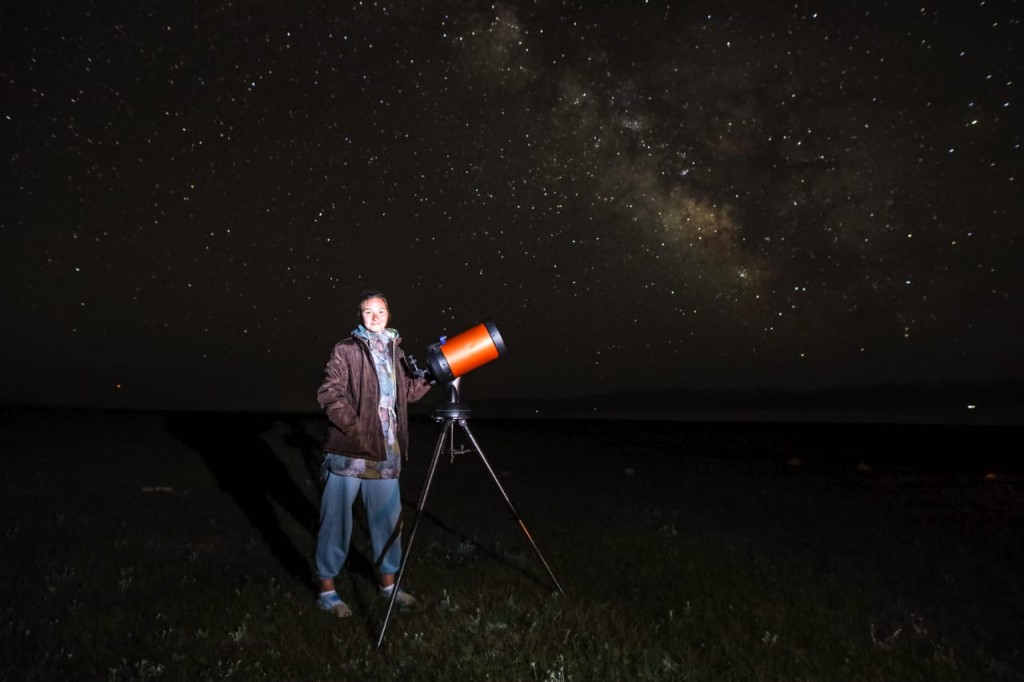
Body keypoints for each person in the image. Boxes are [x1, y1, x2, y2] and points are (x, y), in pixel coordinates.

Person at [314, 290, 433, 617]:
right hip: (349, 452)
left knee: (387, 521)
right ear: (361, 316)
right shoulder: (346, 350)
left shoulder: (396, 352)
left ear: (389, 314)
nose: (375, 316)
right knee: (336, 521)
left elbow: (406, 392)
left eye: (380, 310)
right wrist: (354, 428)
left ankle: (388, 586)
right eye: (368, 311)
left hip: (386, 452)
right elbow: (329, 392)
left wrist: (433, 377)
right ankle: (327, 592)